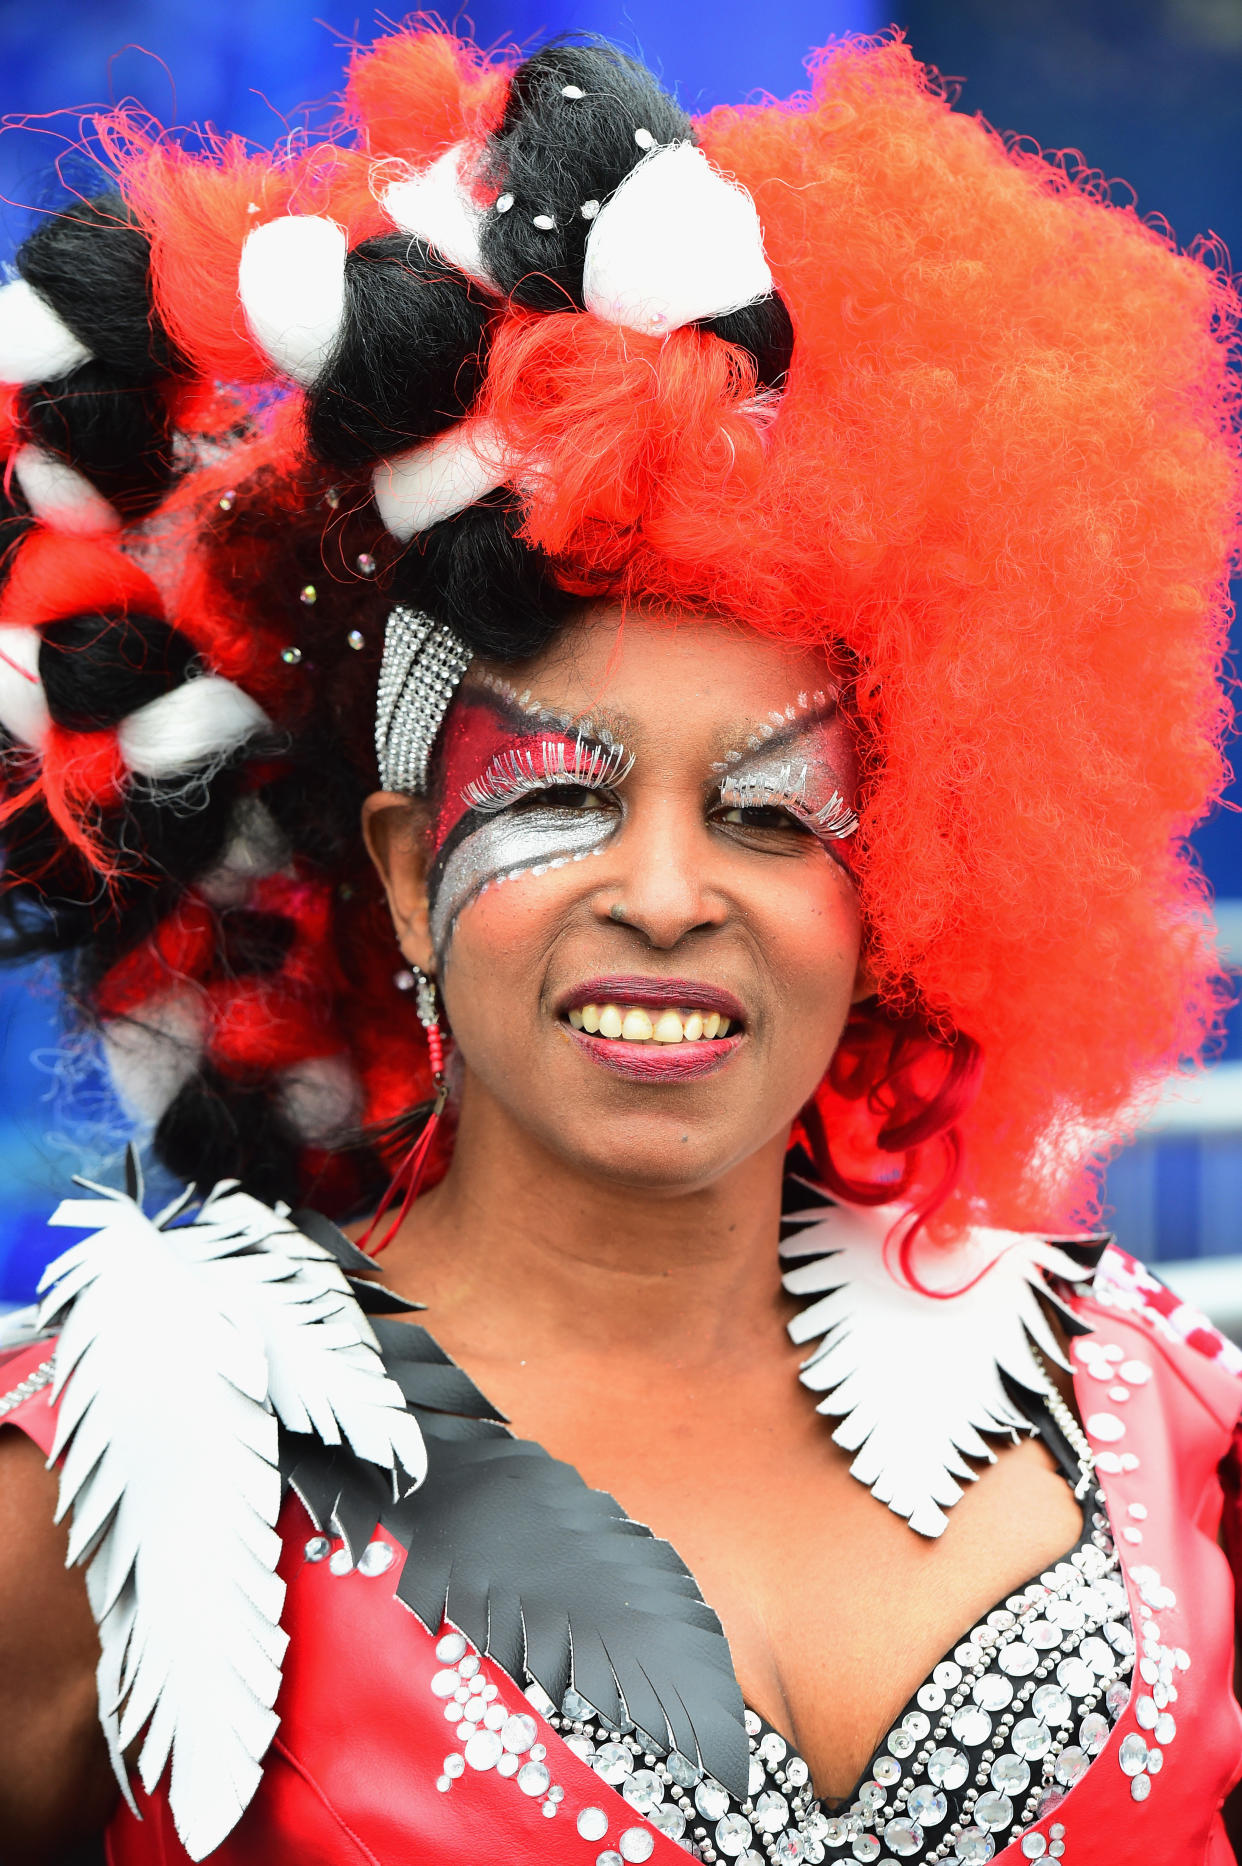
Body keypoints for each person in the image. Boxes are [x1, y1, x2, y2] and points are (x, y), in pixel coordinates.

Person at [0, 24, 1239, 1866]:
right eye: (560, 797)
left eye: (768, 810)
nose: (667, 890)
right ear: (413, 876)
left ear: (892, 882)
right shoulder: (120, 1471)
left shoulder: (1145, 1405)